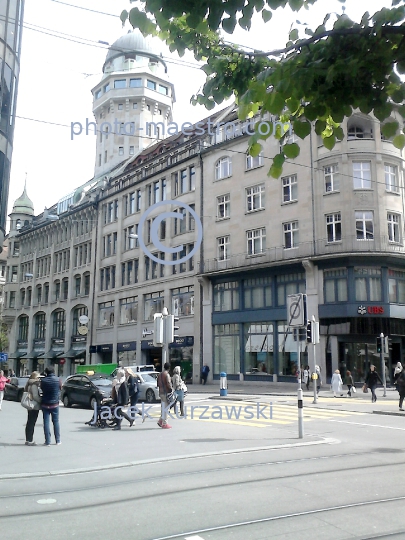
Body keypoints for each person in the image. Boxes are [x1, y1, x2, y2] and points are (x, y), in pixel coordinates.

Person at [41, 366, 62, 446]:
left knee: (46, 422)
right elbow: (60, 388)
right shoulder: (58, 379)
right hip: (55, 404)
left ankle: (48, 441)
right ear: (53, 371)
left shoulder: (43, 380)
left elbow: (42, 389)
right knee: (56, 422)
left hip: (45, 403)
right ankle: (58, 440)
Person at [24, 371, 42, 445]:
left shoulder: (29, 383)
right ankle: (30, 440)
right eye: (38, 377)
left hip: (30, 405)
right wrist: (41, 401)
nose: (39, 379)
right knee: (32, 422)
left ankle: (28, 439)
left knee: (29, 422)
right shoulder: (34, 385)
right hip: (34, 405)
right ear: (35, 377)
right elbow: (35, 396)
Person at [157, 362, 173, 429]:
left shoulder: (159, 374)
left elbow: (157, 383)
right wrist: (171, 389)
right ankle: (164, 423)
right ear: (169, 368)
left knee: (163, 407)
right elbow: (168, 383)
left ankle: (161, 420)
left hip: (161, 392)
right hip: (166, 393)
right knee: (166, 408)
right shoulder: (167, 375)